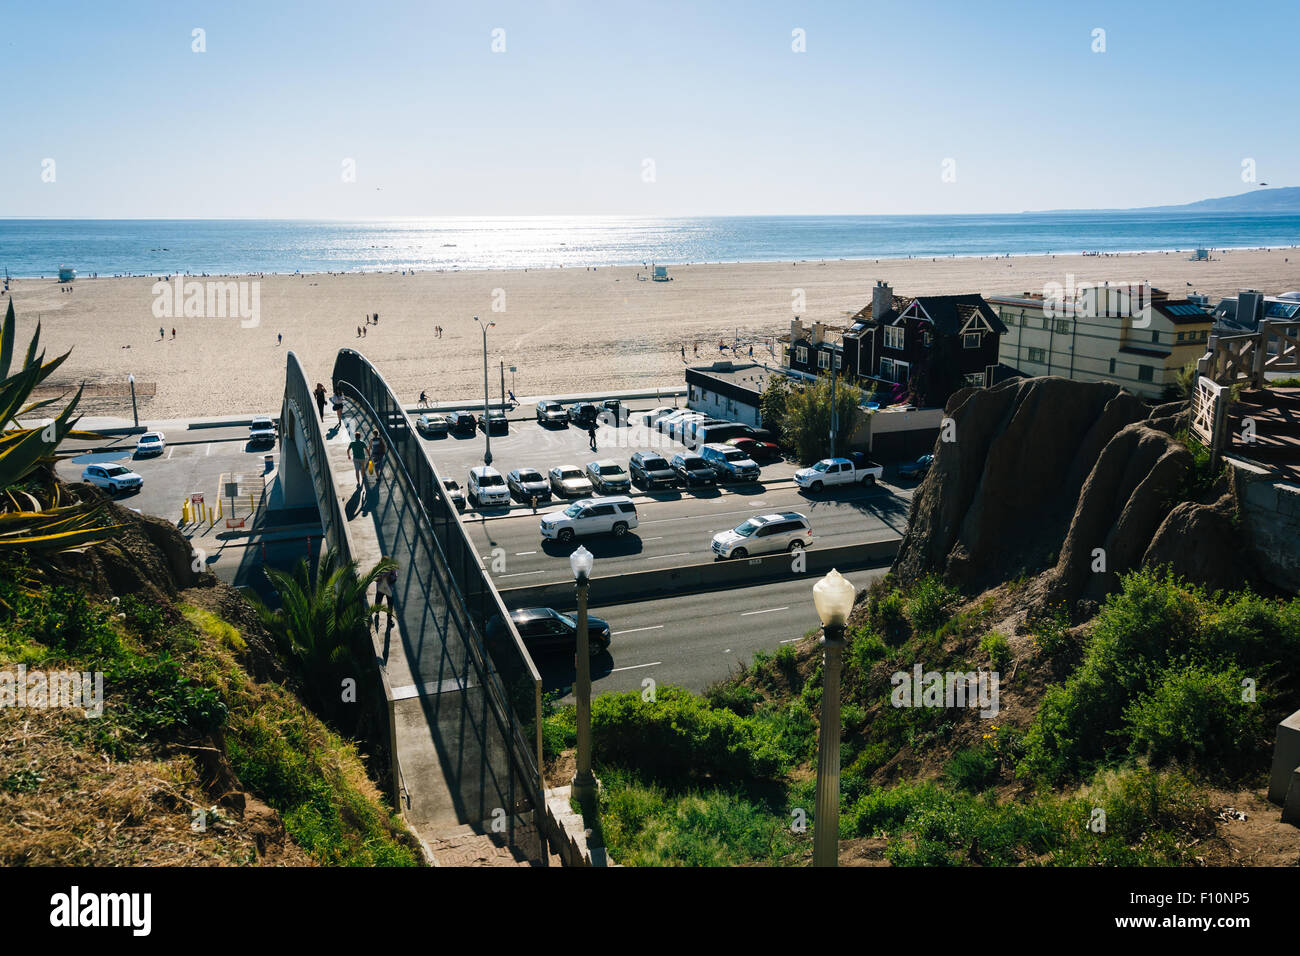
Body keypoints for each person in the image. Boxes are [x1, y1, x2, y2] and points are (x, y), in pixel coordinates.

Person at [374, 560, 397, 625]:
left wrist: (389, 578)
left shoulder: (391, 568)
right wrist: (380, 577)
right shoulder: (379, 568)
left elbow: (395, 577)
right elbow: (375, 578)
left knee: (390, 604)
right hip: (381, 588)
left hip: (388, 589)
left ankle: (389, 619)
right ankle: (377, 612)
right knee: (378, 601)